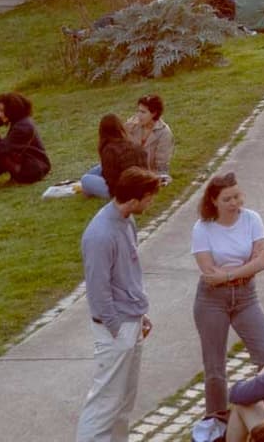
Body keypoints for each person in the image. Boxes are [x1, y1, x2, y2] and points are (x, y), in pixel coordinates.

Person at [192, 172, 264, 436]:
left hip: (246, 296)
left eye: (237, 196)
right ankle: (217, 428)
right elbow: (209, 272)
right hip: (212, 300)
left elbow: (261, 261)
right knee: (215, 370)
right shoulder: (203, 228)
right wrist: (243, 268)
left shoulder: (252, 219)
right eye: (227, 199)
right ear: (214, 201)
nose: (234, 203)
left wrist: (230, 274)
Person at [76, 166, 159, 442]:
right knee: (104, 403)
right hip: (116, 328)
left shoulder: (127, 221)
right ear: (134, 199)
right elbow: (98, 290)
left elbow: (128, 274)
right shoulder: (100, 235)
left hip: (131, 321)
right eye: (149, 198)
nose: (151, 203)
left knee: (123, 402)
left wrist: (140, 314)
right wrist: (117, 329)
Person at [66, 113, 147, 201]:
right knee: (99, 167)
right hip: (142, 185)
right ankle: (87, 188)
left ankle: (87, 189)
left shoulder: (109, 149)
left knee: (85, 179)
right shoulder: (134, 144)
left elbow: (111, 180)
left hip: (122, 191)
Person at [131, 94, 173, 182]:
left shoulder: (164, 133)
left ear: (154, 113)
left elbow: (161, 164)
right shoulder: (133, 125)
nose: (139, 115)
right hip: (130, 171)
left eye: (143, 112)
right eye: (138, 111)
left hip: (150, 174)